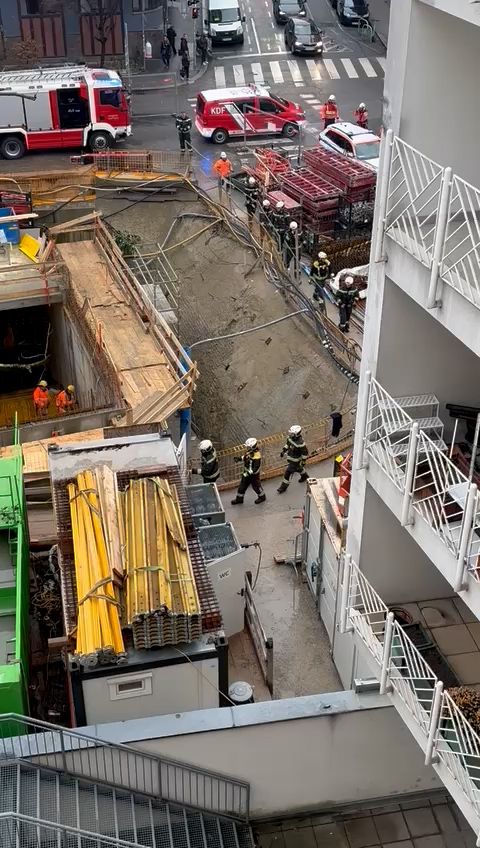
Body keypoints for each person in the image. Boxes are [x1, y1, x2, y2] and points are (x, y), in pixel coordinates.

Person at [231, 438, 266, 505]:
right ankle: (239, 499)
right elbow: (245, 457)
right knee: (242, 487)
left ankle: (262, 497)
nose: (247, 448)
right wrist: (239, 458)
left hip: (253, 475)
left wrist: (247, 473)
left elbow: (255, 468)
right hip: (246, 473)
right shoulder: (250, 452)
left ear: (252, 447)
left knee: (256, 487)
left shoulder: (257, 456)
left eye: (248, 447)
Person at [277, 425, 309, 493]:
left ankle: (283, 487)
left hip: (296, 460)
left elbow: (305, 453)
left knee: (287, 473)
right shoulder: (290, 438)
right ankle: (304, 476)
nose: (290, 434)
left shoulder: (301, 443)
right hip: (291, 458)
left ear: (296, 434)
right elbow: (287, 444)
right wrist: (283, 451)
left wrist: (303, 461)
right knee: (299, 468)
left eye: (292, 434)